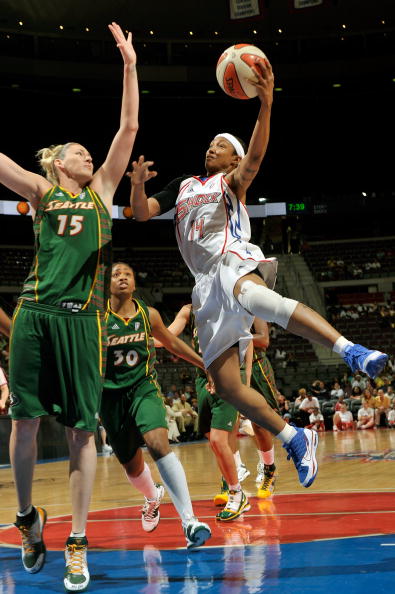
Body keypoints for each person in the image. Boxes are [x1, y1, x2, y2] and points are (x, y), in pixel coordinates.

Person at [129, 55, 388, 489]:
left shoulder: (231, 182)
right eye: (210, 143)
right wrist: (137, 185)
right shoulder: (184, 185)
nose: (212, 146)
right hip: (204, 286)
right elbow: (140, 214)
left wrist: (265, 104)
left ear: (233, 159)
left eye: (222, 144)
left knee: (255, 297)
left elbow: (257, 156)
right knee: (228, 387)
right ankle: (295, 437)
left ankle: (351, 350)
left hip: (231, 259)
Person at [0, 23, 139, 592]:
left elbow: (128, 126)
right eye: (78, 151)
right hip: (35, 313)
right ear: (59, 164)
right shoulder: (40, 189)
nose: (89, 154)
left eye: (90, 151)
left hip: (83, 320)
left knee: (84, 432)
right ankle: (29, 518)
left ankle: (76, 541)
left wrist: (129, 65)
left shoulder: (103, 189)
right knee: (24, 422)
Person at [100, 262, 211, 547]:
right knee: (132, 467)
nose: (122, 277)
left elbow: (173, 344)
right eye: (116, 274)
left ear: (135, 284)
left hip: (143, 388)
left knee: (159, 444)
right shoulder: (96, 318)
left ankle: (190, 521)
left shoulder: (149, 315)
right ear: (107, 284)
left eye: (127, 274)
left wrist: (203, 365)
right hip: (109, 397)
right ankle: (151, 496)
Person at [163, 303, 250, 521]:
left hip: (226, 374)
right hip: (202, 378)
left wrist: (245, 382)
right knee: (213, 440)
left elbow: (248, 344)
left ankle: (236, 493)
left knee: (220, 440)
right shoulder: (189, 310)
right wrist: (140, 337)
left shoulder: (230, 306)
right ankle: (235, 477)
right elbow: (167, 336)